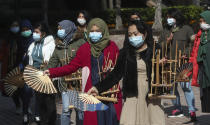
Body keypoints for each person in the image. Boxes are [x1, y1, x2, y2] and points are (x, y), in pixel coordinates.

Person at [44, 18, 122, 125]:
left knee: (111, 119)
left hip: (110, 91)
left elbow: (118, 69)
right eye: (92, 31)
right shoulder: (85, 48)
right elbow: (71, 67)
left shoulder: (112, 47)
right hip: (91, 91)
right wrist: (52, 72)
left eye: (97, 31)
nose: (94, 34)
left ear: (103, 31)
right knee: (94, 120)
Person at [88, 20, 165, 125]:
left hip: (151, 94)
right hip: (132, 93)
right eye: (130, 35)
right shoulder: (125, 53)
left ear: (145, 34)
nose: (133, 37)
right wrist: (97, 87)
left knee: (153, 121)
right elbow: (116, 74)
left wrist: (161, 66)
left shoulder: (155, 50)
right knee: (129, 121)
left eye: (135, 34)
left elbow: (165, 75)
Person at [159, 8, 196, 121]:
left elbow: (193, 44)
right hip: (169, 64)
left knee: (186, 87)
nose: (168, 19)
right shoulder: (165, 30)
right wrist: (168, 41)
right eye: (167, 17)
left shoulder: (187, 29)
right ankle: (177, 108)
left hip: (182, 64)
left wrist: (186, 53)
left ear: (177, 17)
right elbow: (160, 47)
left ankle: (192, 110)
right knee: (172, 89)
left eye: (170, 16)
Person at [47, 20, 86, 125]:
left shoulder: (80, 42)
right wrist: (44, 72)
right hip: (65, 83)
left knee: (80, 111)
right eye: (58, 29)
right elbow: (52, 62)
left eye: (61, 29)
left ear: (68, 29)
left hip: (79, 83)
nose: (59, 31)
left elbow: (86, 60)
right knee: (65, 110)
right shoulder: (59, 45)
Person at [27, 22, 56, 125]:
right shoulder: (32, 45)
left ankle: (50, 122)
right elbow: (31, 61)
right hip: (36, 78)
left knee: (49, 104)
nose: (34, 34)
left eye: (37, 32)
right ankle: (42, 121)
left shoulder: (50, 44)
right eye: (34, 32)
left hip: (47, 77)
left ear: (43, 33)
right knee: (40, 103)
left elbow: (53, 61)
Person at [18, 19, 34, 125]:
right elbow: (17, 55)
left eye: (27, 29)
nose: (25, 31)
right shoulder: (19, 41)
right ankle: (25, 113)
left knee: (31, 93)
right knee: (25, 92)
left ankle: (29, 108)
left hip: (35, 69)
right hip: (23, 70)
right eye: (23, 29)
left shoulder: (34, 40)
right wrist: (20, 63)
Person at [6, 20, 22, 115]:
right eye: (13, 25)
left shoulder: (22, 38)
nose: (14, 27)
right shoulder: (8, 39)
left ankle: (26, 105)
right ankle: (18, 105)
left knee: (22, 88)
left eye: (16, 25)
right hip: (10, 67)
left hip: (20, 67)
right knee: (12, 88)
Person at [197, 10, 210, 113]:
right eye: (200, 21)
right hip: (204, 73)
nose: (202, 23)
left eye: (204, 21)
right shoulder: (202, 36)